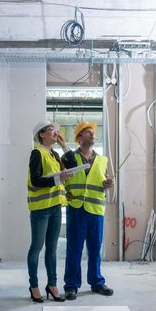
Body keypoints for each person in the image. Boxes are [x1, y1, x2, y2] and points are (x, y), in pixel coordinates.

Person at [57, 121, 114, 300]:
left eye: (93, 132)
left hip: (96, 209)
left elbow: (103, 182)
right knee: (74, 249)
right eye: (88, 132)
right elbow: (59, 180)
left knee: (95, 248)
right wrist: (64, 194)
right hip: (76, 209)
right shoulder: (68, 158)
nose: (92, 134)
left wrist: (108, 184)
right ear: (79, 138)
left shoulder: (103, 160)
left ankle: (97, 282)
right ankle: (71, 285)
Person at [27, 120, 71, 303]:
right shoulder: (37, 153)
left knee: (52, 249)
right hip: (41, 209)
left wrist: (63, 145)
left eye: (56, 131)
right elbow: (36, 180)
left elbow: (69, 165)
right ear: (42, 134)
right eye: (52, 130)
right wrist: (57, 180)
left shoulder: (54, 154)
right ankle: (34, 285)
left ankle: (52, 285)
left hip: (55, 207)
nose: (56, 132)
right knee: (37, 248)